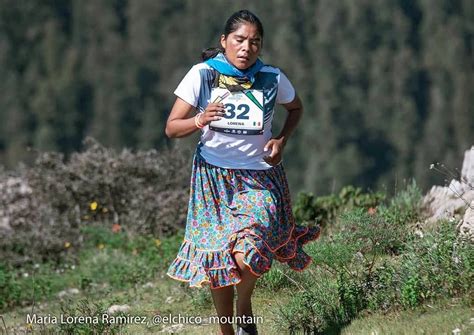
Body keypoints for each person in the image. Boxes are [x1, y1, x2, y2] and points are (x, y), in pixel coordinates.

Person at [165, 9, 321, 335]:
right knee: (218, 258)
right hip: (212, 180)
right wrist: (199, 120)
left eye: (254, 42)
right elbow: (171, 128)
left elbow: (296, 108)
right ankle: (228, 330)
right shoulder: (203, 75)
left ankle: (245, 305)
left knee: (248, 250)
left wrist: (281, 139)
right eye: (239, 40)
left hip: (259, 178)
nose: (246, 48)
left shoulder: (271, 77)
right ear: (224, 42)